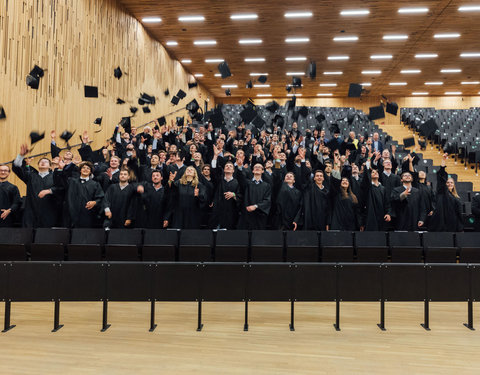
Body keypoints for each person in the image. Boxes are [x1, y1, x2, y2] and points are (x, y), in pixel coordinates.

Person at [13, 144, 60, 227]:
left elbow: (61, 188)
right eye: (41, 161)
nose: (42, 162)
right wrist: (21, 155)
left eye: (45, 162)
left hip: (49, 212)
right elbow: (17, 168)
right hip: (31, 212)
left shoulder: (55, 176)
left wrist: (50, 191)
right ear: (38, 165)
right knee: (28, 237)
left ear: (50, 166)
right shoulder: (31, 176)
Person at [55, 161, 104, 228]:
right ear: (80, 170)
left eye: (88, 168)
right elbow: (60, 180)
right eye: (83, 168)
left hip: (86, 215)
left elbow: (100, 198)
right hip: (70, 215)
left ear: (90, 172)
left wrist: (95, 202)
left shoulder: (95, 184)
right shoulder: (71, 181)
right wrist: (61, 168)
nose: (85, 169)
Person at [428, 154, 463, 232]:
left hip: (453, 224)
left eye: (451, 183)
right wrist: (443, 161)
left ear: (454, 185)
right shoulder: (442, 192)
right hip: (442, 224)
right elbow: (441, 177)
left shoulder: (456, 197)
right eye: (448, 182)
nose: (450, 184)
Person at [237, 162, 271, 230]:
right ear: (252, 171)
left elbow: (267, 200)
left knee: (258, 238)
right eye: (255, 167)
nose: (257, 168)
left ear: (262, 171)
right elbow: (240, 178)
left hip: (260, 216)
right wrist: (240, 167)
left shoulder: (267, 186)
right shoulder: (247, 183)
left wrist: (256, 206)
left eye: (259, 167)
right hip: (247, 215)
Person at [360, 166, 392, 231]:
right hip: (370, 216)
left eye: (377, 172)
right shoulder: (368, 187)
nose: (375, 173)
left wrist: (388, 213)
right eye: (373, 172)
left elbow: (387, 203)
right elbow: (366, 180)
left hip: (381, 217)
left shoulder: (383, 189)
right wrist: (368, 166)